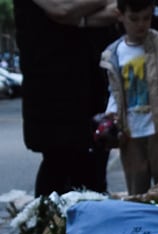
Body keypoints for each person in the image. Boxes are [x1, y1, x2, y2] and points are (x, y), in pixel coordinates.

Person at [14, 0, 119, 196]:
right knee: (58, 164)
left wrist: (79, 19)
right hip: (52, 90)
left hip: (94, 83)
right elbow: (62, 8)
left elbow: (118, 9)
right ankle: (47, 215)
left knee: (95, 165)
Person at [99, 0, 158, 196]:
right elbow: (115, 92)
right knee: (136, 189)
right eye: (134, 19)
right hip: (131, 131)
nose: (141, 24)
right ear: (120, 16)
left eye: (146, 18)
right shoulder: (114, 54)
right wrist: (111, 114)